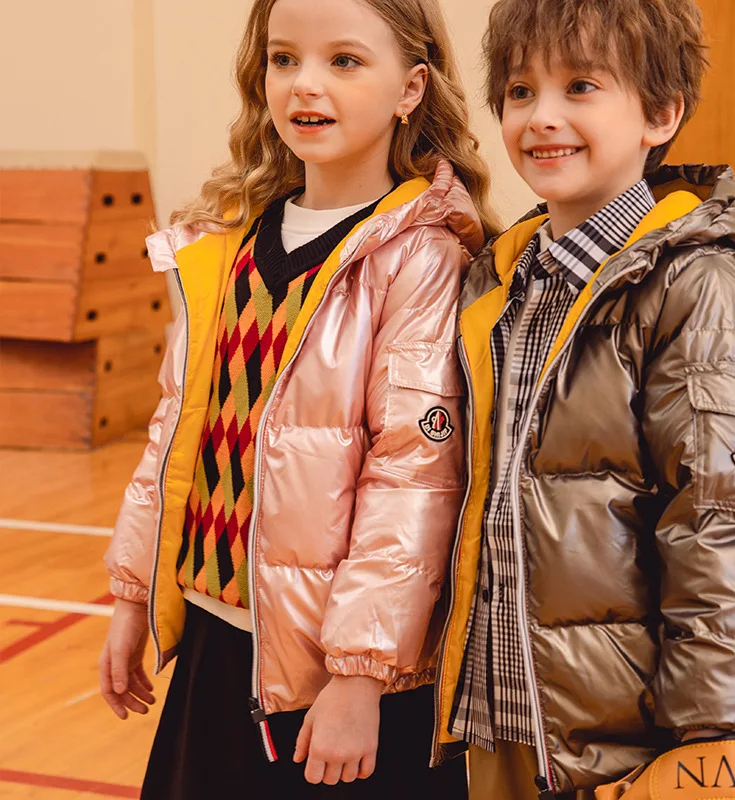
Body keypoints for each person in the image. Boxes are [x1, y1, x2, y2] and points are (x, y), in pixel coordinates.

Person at [98, 0, 497, 796]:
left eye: (344, 61)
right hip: (220, 645)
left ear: (411, 87)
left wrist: (359, 675)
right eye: (285, 59)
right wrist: (134, 596)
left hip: (337, 677)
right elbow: (172, 438)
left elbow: (412, 481)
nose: (305, 84)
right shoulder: (227, 244)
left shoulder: (419, 255)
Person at [432, 0, 735, 797]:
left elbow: (724, 517)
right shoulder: (503, 277)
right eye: (521, 90)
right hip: (506, 708)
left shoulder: (697, 286)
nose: (541, 116)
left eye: (581, 85)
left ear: (660, 114)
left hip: (628, 737)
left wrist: (714, 730)